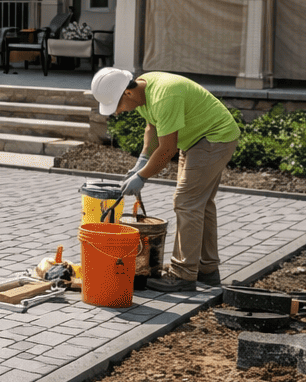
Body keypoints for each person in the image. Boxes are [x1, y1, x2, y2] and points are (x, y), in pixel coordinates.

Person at [90, 67, 241, 292]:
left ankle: (183, 275)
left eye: (117, 106)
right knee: (200, 205)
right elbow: (152, 128)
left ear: (128, 93)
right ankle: (207, 271)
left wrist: (142, 176)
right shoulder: (143, 90)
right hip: (196, 139)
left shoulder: (164, 96)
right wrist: (141, 161)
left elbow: (167, 148)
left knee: (186, 202)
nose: (118, 112)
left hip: (213, 138)